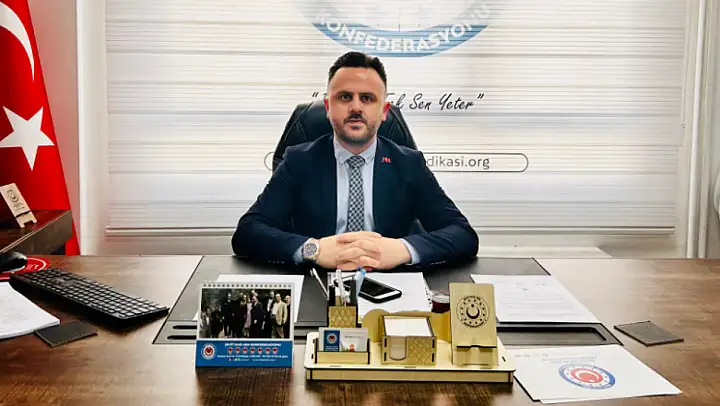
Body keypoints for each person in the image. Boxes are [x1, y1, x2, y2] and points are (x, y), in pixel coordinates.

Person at [231, 51, 478, 270]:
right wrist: (313, 249)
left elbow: (463, 234)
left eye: (367, 98)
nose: (356, 107)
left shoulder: (408, 164)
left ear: (384, 111)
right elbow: (248, 232)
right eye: (345, 97)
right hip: (319, 283)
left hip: (393, 283)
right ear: (328, 107)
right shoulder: (299, 161)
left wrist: (401, 249)